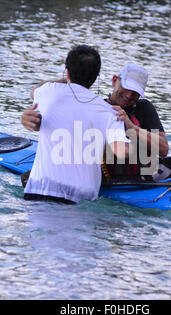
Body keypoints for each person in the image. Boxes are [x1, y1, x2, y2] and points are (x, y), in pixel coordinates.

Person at [22, 63, 171, 182]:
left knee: (169, 165)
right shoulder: (96, 107)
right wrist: (71, 79)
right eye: (126, 88)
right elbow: (35, 92)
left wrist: (131, 127)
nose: (129, 96)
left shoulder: (144, 108)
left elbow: (163, 149)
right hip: (106, 179)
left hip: (145, 179)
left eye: (135, 93)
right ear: (115, 80)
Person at [22, 45, 130, 203]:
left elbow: (34, 91)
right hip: (80, 200)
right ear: (96, 77)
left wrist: (67, 78)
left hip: (39, 190)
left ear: (67, 72)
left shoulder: (48, 92)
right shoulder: (112, 112)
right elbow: (121, 152)